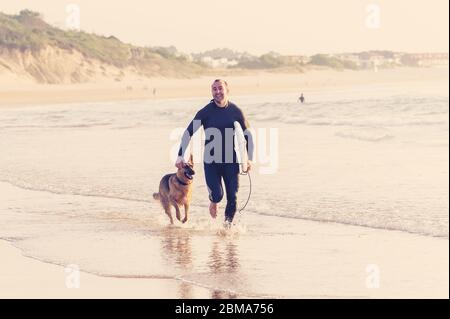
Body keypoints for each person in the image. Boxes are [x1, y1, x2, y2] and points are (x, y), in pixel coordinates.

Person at [175, 79, 254, 227]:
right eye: (214, 89)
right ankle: (214, 201)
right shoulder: (205, 112)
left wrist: (249, 159)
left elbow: (248, 135)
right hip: (211, 162)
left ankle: (227, 227)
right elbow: (188, 132)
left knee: (233, 197)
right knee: (218, 195)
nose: (217, 92)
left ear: (227, 90)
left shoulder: (235, 112)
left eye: (220, 88)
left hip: (230, 161)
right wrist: (180, 155)